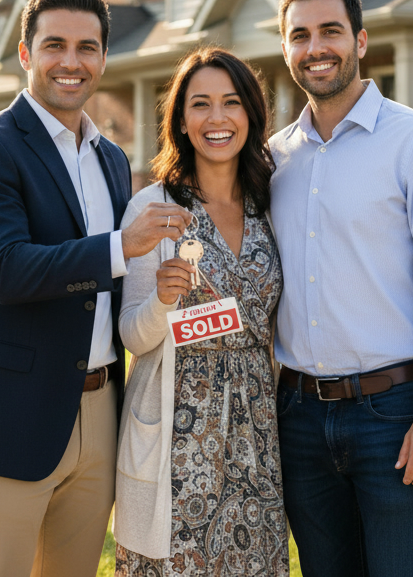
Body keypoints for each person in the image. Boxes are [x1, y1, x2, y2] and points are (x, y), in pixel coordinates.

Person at [0, 0, 193, 577]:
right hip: (7, 413)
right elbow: (7, 271)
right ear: (25, 54)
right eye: (55, 45)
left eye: (87, 47)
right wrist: (124, 246)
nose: (72, 61)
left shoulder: (112, 159)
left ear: (102, 58)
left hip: (101, 410)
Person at [267, 0, 413, 577]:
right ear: (286, 48)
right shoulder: (274, 160)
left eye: (331, 31)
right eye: (300, 35)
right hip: (300, 418)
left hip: (394, 414)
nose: (317, 48)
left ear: (361, 41)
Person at [113, 47, 289, 576]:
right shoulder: (155, 209)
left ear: (251, 116)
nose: (217, 119)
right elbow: (132, 336)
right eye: (201, 105)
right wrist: (164, 302)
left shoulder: (272, 204)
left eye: (231, 103)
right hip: (177, 436)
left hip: (259, 436)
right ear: (181, 122)